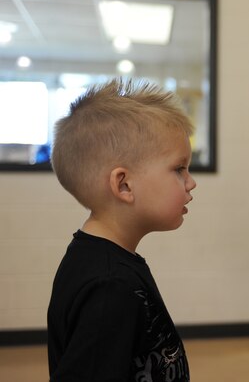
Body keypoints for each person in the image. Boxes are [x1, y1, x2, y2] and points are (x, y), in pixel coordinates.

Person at [47, 79, 197, 381]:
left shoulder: (108, 264)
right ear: (124, 185)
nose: (191, 182)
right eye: (179, 169)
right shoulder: (109, 286)